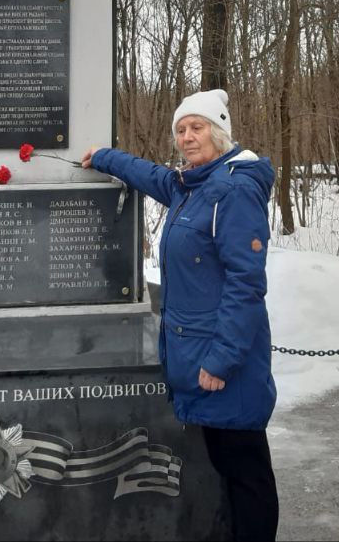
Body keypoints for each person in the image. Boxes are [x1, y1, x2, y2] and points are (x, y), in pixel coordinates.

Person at [82, 89, 277, 542]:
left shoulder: (233, 190)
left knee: (247, 472)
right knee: (227, 466)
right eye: (182, 130)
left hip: (225, 362)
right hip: (198, 354)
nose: (188, 138)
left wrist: (222, 359)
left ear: (220, 132)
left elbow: (245, 284)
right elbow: (151, 176)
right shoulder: (193, 186)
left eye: (198, 127)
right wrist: (105, 157)